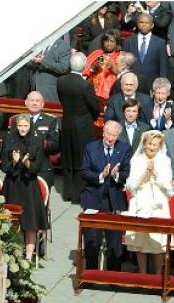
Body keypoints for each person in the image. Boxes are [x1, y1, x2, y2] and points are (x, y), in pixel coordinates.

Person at [81, 120, 132, 271]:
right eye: (108, 134)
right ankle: (91, 274)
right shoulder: (91, 148)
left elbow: (127, 172)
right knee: (92, 240)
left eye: (114, 136)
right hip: (94, 198)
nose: (110, 138)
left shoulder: (124, 148)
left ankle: (113, 276)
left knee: (115, 243)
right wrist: (101, 175)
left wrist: (116, 175)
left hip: (115, 201)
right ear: (103, 133)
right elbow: (84, 171)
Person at [1, 113, 49, 260]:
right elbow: (4, 167)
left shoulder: (37, 141)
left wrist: (26, 162)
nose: (23, 129)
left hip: (29, 186)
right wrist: (15, 162)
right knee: (12, 221)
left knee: (30, 223)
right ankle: (13, 253)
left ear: (30, 126)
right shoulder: (9, 140)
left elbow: (36, 168)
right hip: (13, 184)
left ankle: (28, 257)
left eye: (25, 126)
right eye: (20, 126)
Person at [125, 130, 173, 274]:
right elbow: (130, 185)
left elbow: (168, 185)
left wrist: (154, 174)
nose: (152, 147)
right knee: (140, 239)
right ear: (144, 144)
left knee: (157, 240)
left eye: (155, 145)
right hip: (140, 201)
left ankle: (158, 273)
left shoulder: (164, 160)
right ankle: (142, 273)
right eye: (150, 144)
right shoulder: (136, 160)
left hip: (158, 204)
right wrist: (145, 173)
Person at [57, 52, 101, 203]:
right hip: (83, 126)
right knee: (81, 159)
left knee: (68, 158)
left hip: (67, 122)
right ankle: (78, 195)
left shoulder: (61, 81)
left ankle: (67, 193)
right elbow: (95, 107)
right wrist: (91, 117)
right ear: (84, 66)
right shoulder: (85, 85)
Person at [123, 13, 169, 93]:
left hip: (152, 84)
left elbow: (163, 66)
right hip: (132, 84)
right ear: (137, 24)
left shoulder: (160, 42)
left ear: (152, 25)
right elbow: (125, 64)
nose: (143, 25)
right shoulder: (129, 41)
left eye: (147, 23)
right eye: (141, 22)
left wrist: (161, 85)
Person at [28, 37, 71, 103]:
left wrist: (42, 61)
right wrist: (33, 61)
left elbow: (63, 68)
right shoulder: (39, 44)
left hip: (49, 91)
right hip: (34, 88)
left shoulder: (63, 46)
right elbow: (28, 65)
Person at [82, 29, 122, 99]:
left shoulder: (120, 56)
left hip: (111, 91)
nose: (109, 44)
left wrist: (113, 69)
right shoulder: (96, 53)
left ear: (116, 43)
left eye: (112, 41)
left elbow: (123, 75)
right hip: (94, 88)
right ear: (103, 42)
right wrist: (94, 67)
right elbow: (85, 71)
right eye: (106, 41)